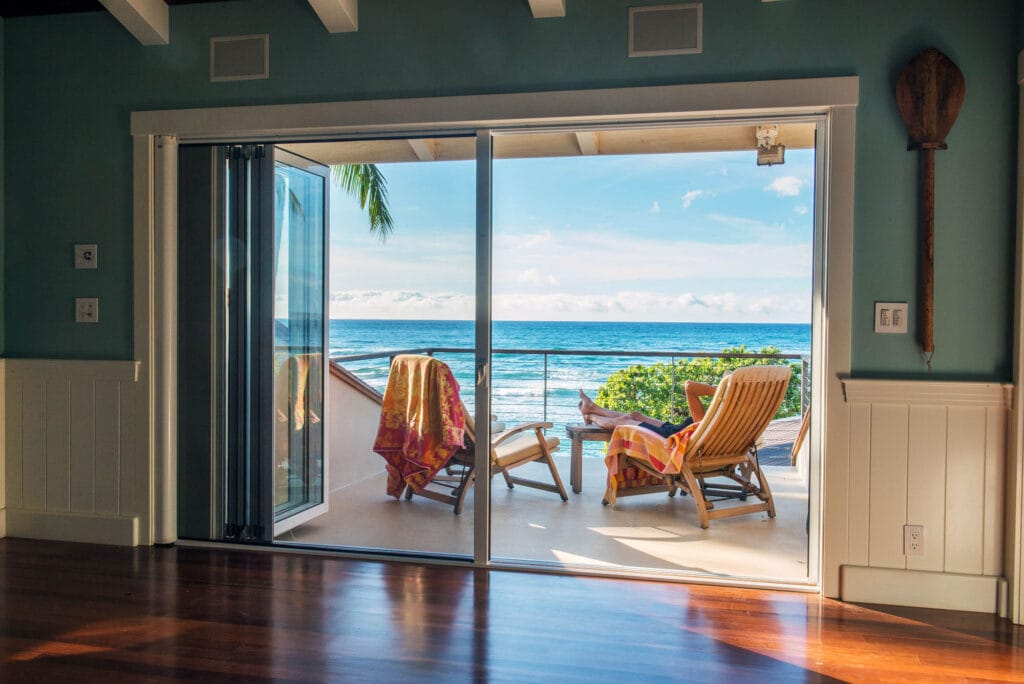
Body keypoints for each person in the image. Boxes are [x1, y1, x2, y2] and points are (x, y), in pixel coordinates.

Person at [577, 379, 717, 438]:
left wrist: (720, 390)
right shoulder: (723, 417)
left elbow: (689, 386)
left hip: (671, 438)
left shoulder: (706, 422)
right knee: (636, 416)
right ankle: (592, 408)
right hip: (677, 430)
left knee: (624, 420)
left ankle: (590, 416)